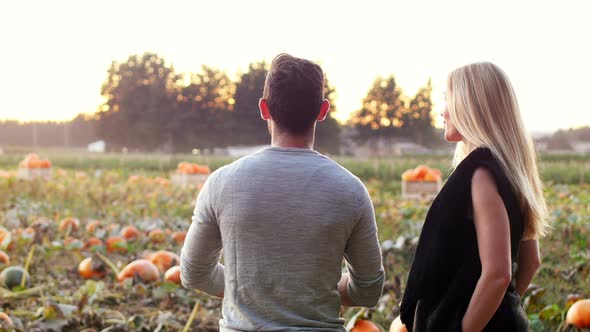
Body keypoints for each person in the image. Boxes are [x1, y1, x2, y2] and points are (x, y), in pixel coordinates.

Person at [180, 53, 385, 331]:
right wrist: (315, 292)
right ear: (323, 110)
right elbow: (369, 289)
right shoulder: (350, 190)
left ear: (264, 108)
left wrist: (248, 291)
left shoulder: (221, 183)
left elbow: (193, 273)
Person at [400, 62, 550, 331]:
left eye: (447, 99)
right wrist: (503, 312)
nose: (441, 110)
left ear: (469, 106)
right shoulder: (510, 170)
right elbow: (531, 262)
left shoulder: (480, 173)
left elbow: (497, 275)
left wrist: (465, 327)